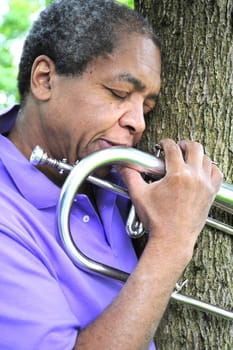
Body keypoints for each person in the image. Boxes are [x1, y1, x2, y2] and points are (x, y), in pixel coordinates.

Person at [0, 0, 223, 349]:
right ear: (45, 80)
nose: (139, 122)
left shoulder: (113, 178)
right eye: (119, 94)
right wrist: (172, 242)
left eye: (148, 106)